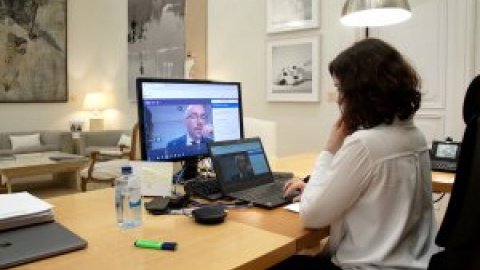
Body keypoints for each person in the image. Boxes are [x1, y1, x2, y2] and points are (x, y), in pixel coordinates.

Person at [271, 38, 438, 270]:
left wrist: (330, 148)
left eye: (341, 90)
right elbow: (376, 195)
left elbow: (310, 215)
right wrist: (316, 190)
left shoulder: (365, 144)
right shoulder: (414, 134)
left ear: (364, 91)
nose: (339, 99)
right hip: (412, 261)